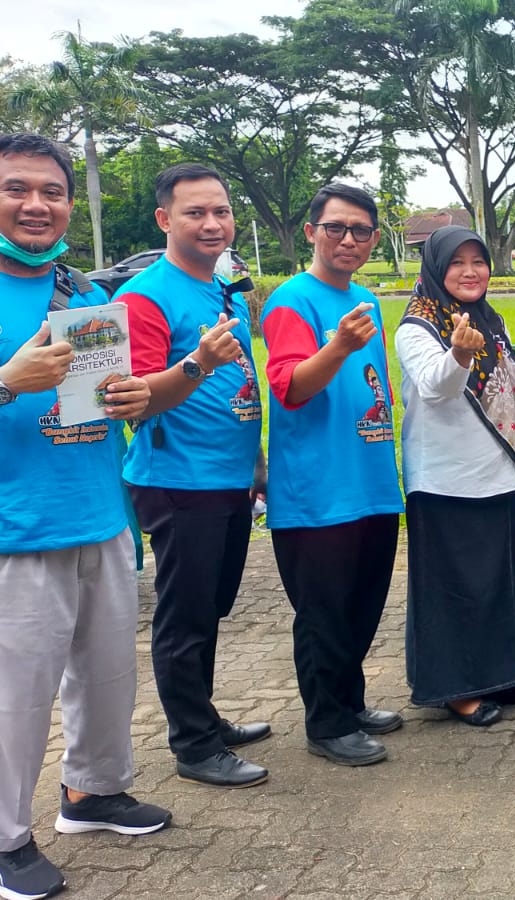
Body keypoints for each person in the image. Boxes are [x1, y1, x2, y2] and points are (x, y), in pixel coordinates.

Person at [0, 132, 170, 900]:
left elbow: (113, 397)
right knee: (16, 693)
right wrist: (7, 378)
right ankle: (6, 840)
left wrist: (135, 395)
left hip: (101, 514)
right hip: (16, 526)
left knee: (105, 676)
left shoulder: (90, 297)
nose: (36, 205)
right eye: (17, 189)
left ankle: (92, 792)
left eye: (52, 191)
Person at [119, 163, 272, 787]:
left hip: (227, 476)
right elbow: (133, 401)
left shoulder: (221, 288)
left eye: (221, 212)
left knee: (208, 608)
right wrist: (197, 363)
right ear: (164, 220)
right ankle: (192, 744)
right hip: (178, 479)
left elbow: (244, 380)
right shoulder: (146, 296)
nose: (212, 224)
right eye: (195, 213)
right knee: (184, 616)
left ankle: (204, 717)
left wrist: (256, 462)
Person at [260, 183, 405, 767]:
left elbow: (378, 391)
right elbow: (291, 387)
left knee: (364, 604)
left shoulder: (366, 299)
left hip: (369, 480)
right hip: (316, 490)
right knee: (323, 612)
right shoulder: (292, 302)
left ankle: (350, 700)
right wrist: (339, 345)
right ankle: (326, 722)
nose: (348, 239)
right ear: (312, 232)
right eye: (335, 228)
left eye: (361, 231)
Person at [397, 225, 515, 727]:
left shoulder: (490, 318)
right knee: (455, 590)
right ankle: (457, 689)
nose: (469, 271)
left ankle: (500, 673)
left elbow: (513, 390)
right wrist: (458, 353)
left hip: (497, 475)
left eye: (477, 261)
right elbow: (436, 388)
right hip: (445, 481)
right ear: (437, 269)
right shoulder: (416, 327)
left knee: (499, 585)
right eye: (456, 263)